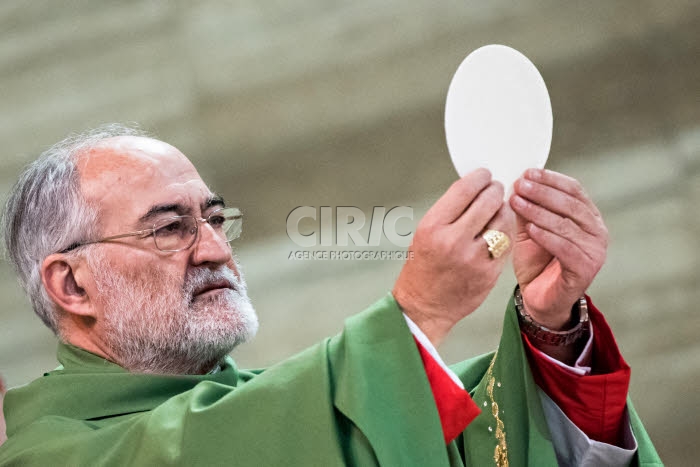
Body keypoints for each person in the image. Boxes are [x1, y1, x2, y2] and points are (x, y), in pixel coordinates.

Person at [0, 125, 661, 466]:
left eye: (215, 218)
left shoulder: (274, 404)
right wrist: (418, 314)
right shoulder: (48, 453)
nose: (214, 247)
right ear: (72, 283)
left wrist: (550, 327)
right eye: (170, 226)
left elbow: (479, 441)